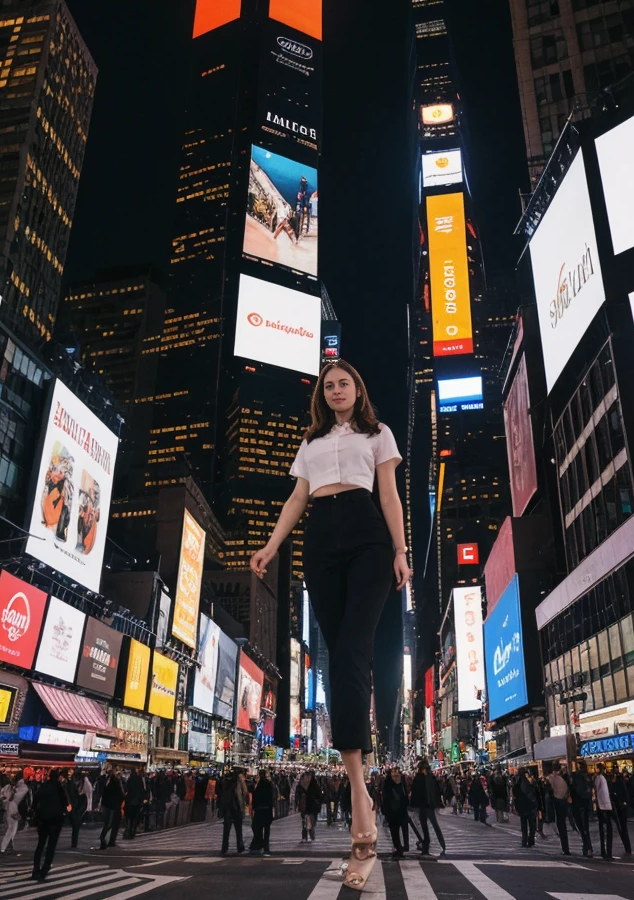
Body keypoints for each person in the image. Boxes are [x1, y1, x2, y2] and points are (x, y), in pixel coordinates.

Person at [250, 360, 410, 892]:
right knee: (334, 655)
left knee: (351, 654)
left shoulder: (377, 434)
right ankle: (360, 795)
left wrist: (401, 551)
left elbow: (389, 494)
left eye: (344, 383)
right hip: (321, 543)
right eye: (329, 386)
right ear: (322, 396)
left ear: (357, 390)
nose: (337, 390)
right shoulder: (310, 442)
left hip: (367, 536)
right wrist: (271, 547)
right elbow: (297, 498)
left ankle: (362, 822)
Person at [32, 769, 71, 882]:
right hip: (55, 819)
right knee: (51, 846)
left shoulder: (43, 787)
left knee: (40, 844)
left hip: (43, 819)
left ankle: (35, 869)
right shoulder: (59, 788)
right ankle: (45, 868)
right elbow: (65, 802)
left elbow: (35, 801)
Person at [410, 759, 446, 858]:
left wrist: (413, 804)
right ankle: (439, 846)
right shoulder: (431, 777)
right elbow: (436, 791)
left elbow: (416, 792)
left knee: (426, 827)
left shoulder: (420, 778)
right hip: (429, 806)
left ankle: (428, 847)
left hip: (424, 806)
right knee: (432, 826)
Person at [383, 767, 411, 859]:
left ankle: (400, 848)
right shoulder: (400, 783)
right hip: (398, 811)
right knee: (399, 831)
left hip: (395, 811)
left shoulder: (389, 783)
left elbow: (385, 797)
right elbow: (405, 796)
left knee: (396, 831)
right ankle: (401, 848)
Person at [569, 761, 594, 858]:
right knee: (585, 827)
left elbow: (575, 790)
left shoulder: (577, 777)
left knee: (581, 827)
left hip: (579, 805)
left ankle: (587, 847)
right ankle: (588, 847)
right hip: (587, 804)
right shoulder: (588, 777)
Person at [0, 772, 28, 855]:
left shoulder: (9, 787)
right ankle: (5, 847)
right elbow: (13, 798)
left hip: (10, 808)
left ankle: (7, 846)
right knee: (12, 828)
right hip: (13, 808)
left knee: (11, 828)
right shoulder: (23, 787)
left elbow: (3, 797)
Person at [547, 763, 571, 856]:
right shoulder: (563, 778)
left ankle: (565, 849)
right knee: (563, 825)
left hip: (557, 803)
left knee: (560, 825)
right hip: (563, 802)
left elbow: (550, 790)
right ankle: (566, 848)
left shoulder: (552, 778)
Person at [219, 770, 246, 855]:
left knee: (226, 830)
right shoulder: (240, 782)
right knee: (239, 830)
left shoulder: (225, 782)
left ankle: (224, 848)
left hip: (228, 808)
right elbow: (245, 793)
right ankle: (240, 847)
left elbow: (221, 795)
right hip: (237, 808)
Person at [249, 769, 275, 856]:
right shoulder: (269, 784)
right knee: (267, 830)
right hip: (267, 809)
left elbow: (255, 797)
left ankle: (259, 845)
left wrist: (253, 808)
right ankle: (265, 847)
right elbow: (271, 797)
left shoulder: (258, 785)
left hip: (259, 810)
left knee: (258, 829)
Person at [98, 770, 124, 850]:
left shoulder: (107, 784)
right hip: (114, 807)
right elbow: (121, 795)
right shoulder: (116, 784)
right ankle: (106, 839)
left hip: (107, 806)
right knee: (112, 823)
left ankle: (104, 838)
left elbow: (103, 795)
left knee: (108, 823)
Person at [513, 769, 538, 849]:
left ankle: (524, 841)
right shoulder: (529, 782)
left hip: (522, 807)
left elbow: (515, 794)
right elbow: (534, 794)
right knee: (532, 825)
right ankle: (530, 840)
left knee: (524, 825)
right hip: (530, 806)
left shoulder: (517, 784)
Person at [610, 767, 632, 855]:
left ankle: (627, 847)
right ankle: (627, 847)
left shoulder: (617, 784)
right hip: (621, 807)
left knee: (622, 828)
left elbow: (618, 795)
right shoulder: (620, 783)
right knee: (622, 828)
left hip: (620, 808)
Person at [594, 764, 615, 860]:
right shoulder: (602, 778)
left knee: (604, 829)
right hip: (605, 805)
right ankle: (607, 852)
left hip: (602, 805)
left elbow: (597, 791)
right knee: (607, 829)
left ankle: (605, 851)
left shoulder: (598, 778)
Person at [296, 770, 322, 842]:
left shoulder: (301, 784)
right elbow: (319, 794)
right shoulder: (314, 783)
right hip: (311, 804)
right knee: (311, 820)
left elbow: (297, 794)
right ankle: (311, 832)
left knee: (304, 821)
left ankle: (305, 836)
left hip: (305, 804)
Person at [124, 767, 147, 839]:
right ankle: (132, 832)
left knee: (129, 818)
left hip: (130, 801)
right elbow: (142, 790)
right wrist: (143, 799)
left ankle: (128, 831)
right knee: (135, 818)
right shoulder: (139, 779)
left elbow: (126, 788)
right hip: (137, 801)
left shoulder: (130, 779)